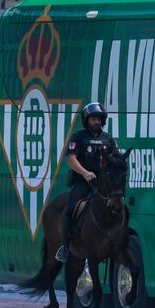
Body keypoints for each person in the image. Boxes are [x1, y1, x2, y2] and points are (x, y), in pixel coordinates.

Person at [56, 102, 117, 263]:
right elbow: (71, 158)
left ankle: (116, 242)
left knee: (118, 206)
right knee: (70, 208)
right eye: (93, 119)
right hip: (84, 181)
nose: (96, 122)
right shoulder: (79, 137)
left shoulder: (109, 139)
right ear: (87, 120)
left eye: (98, 119)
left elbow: (115, 159)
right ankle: (64, 246)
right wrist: (85, 172)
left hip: (103, 183)